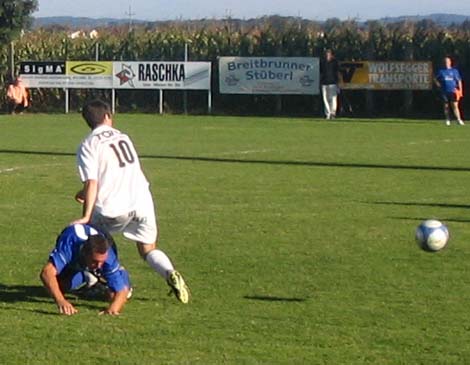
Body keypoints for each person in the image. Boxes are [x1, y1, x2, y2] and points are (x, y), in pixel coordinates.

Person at [72, 99, 190, 304]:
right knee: (148, 249)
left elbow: (93, 181)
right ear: (108, 116)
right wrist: (84, 191)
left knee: (89, 243)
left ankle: (109, 284)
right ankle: (169, 272)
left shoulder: (88, 144)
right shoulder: (123, 137)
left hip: (113, 207)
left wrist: (85, 216)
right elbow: (115, 170)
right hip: (141, 200)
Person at [40, 224, 131, 316]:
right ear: (84, 253)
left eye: (101, 262)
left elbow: (121, 291)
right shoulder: (70, 246)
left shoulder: (108, 258)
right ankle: (86, 275)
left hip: (102, 234)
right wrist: (61, 301)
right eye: (95, 262)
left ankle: (120, 273)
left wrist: (112, 309)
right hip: (74, 245)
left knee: (114, 296)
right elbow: (46, 273)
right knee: (59, 287)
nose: (99, 266)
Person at [434, 56, 464, 126]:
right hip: (444, 91)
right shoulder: (441, 71)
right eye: (445, 62)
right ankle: (447, 120)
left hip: (453, 91)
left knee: (455, 106)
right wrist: (438, 85)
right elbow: (435, 79)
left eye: (447, 61)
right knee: (446, 106)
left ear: (450, 62)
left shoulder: (454, 71)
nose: (446, 63)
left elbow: (459, 81)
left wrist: (460, 90)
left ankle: (459, 119)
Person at [320, 49, 340, 119]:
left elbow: (337, 72)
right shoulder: (322, 62)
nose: (326, 55)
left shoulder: (334, 62)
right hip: (324, 82)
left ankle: (333, 113)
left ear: (331, 55)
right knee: (325, 99)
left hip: (333, 83)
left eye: (328, 54)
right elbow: (321, 72)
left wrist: (338, 82)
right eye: (326, 54)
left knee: (333, 99)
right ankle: (327, 113)